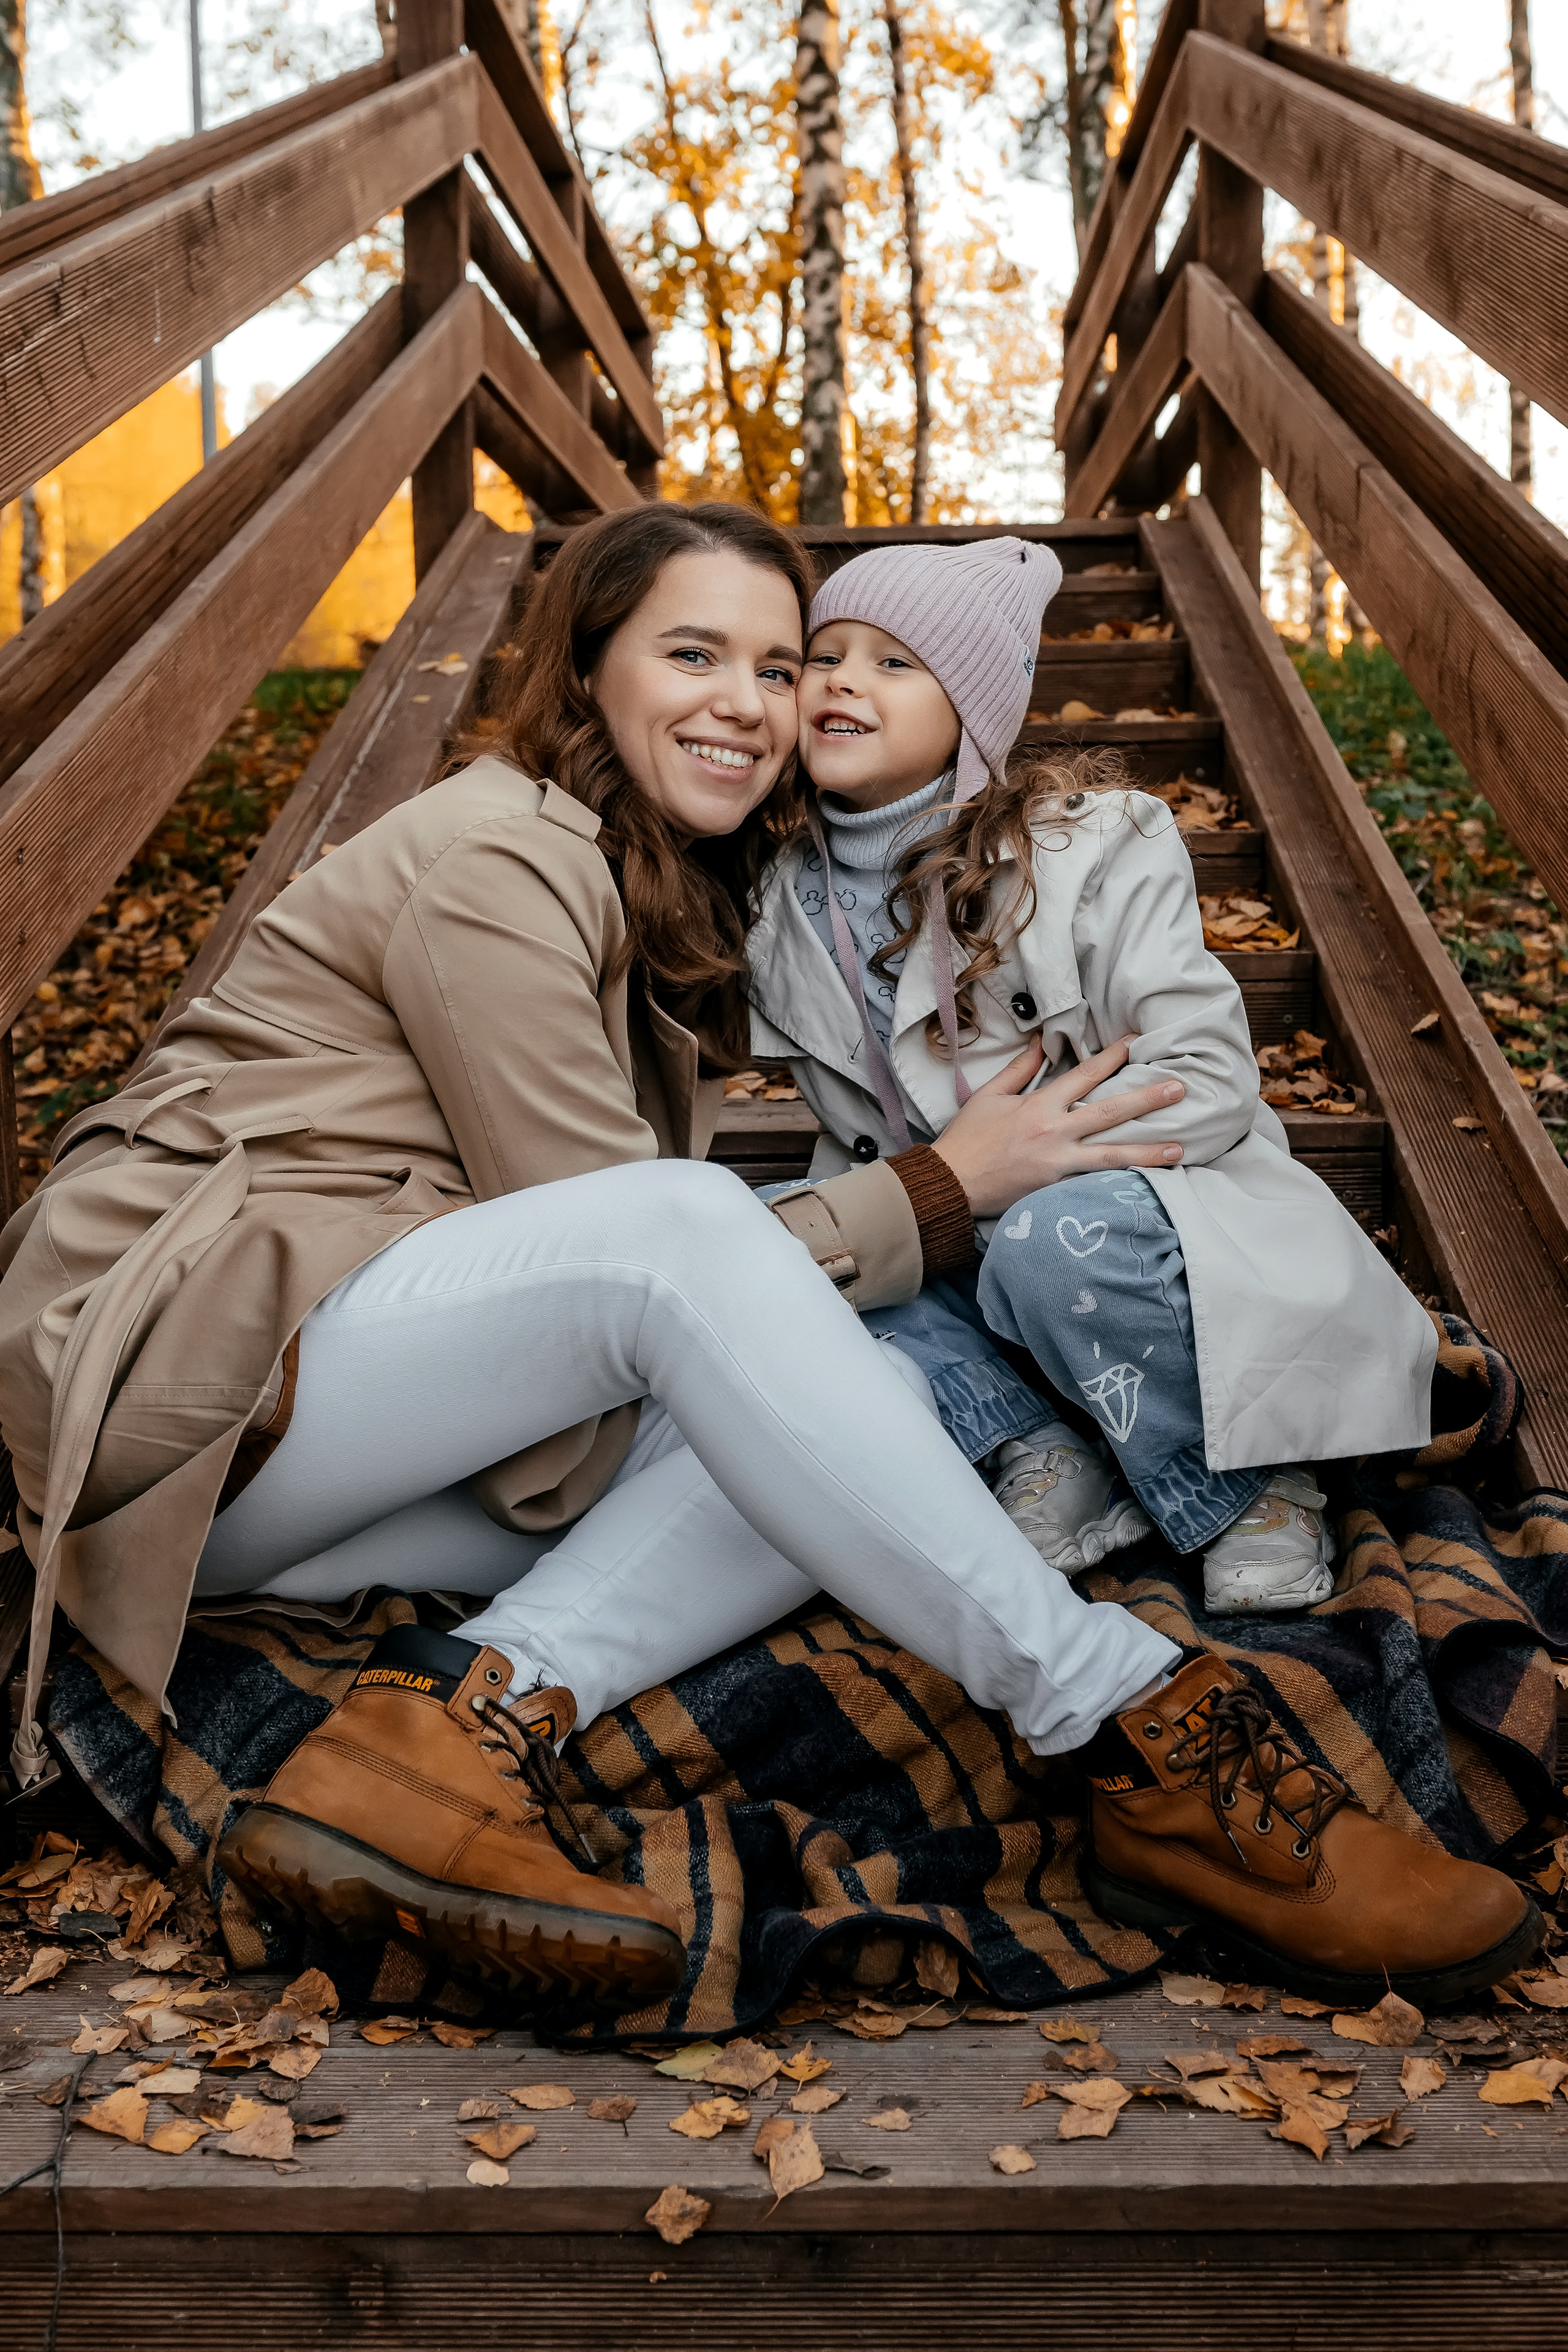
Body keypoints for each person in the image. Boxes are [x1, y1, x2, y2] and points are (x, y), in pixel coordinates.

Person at [0, 506, 1534, 2016]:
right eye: (691, 655)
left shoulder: (651, 882)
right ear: (585, 667)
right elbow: (627, 1235)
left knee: (840, 1413)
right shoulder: (493, 858)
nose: (747, 701)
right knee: (689, 1230)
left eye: (778, 666)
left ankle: (445, 1735)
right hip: (189, 1377)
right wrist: (947, 1186)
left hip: (340, 1440)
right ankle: (1118, 1714)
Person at [747, 537, 1441, 1616]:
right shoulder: (776, 893)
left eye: (893, 663)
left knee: (1044, 1239)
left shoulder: (1090, 847)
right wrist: (937, 1191)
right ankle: (1040, 1442)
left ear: (972, 713)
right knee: (784, 1240)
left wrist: (1036, 1163)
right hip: (943, 1227)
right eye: (823, 656)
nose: (842, 680)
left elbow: (1206, 1071)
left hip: (1122, 1209)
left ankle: (1240, 1484)